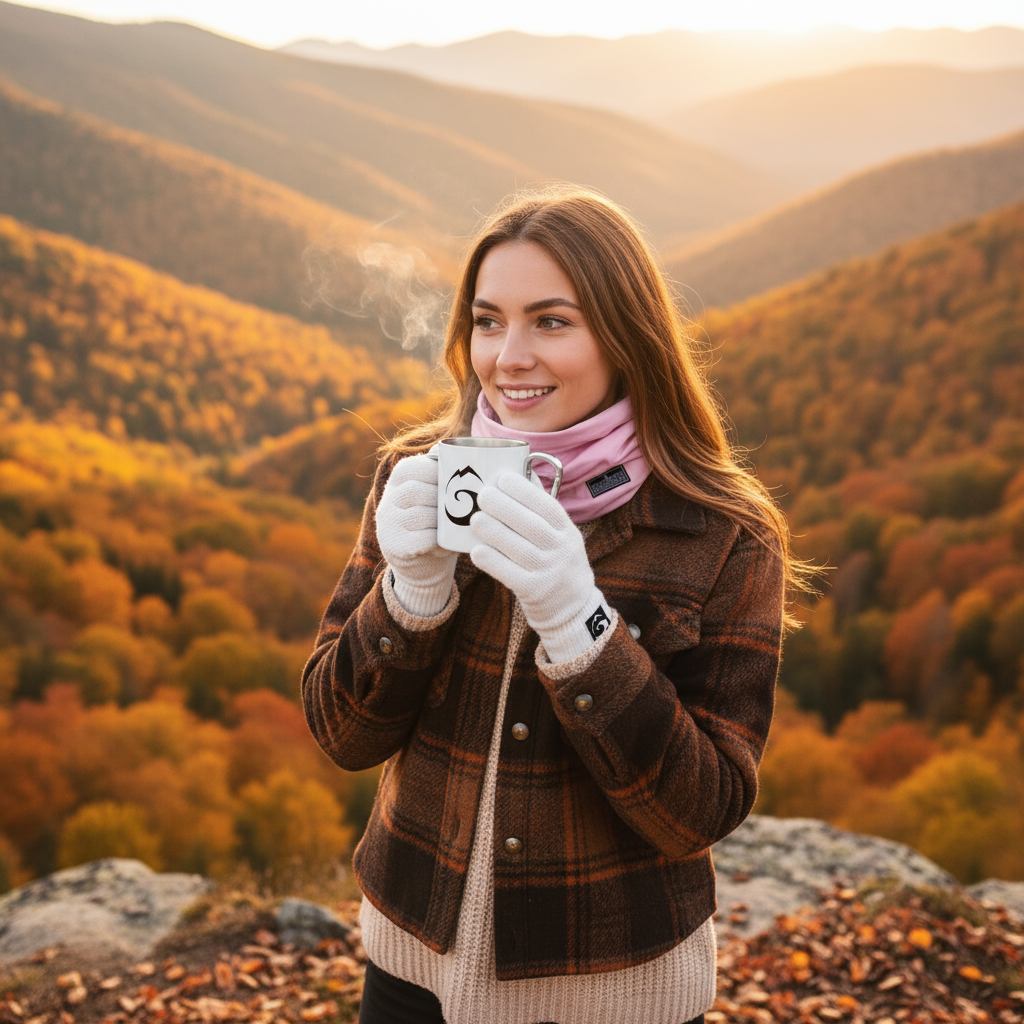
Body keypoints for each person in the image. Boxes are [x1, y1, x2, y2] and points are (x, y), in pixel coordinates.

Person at [303, 187, 802, 1024]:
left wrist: (583, 628)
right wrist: (409, 593)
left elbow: (702, 811)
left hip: (614, 990)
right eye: (488, 321)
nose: (509, 356)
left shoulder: (724, 532)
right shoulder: (418, 479)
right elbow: (341, 734)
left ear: (625, 336)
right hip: (408, 968)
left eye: (552, 321)